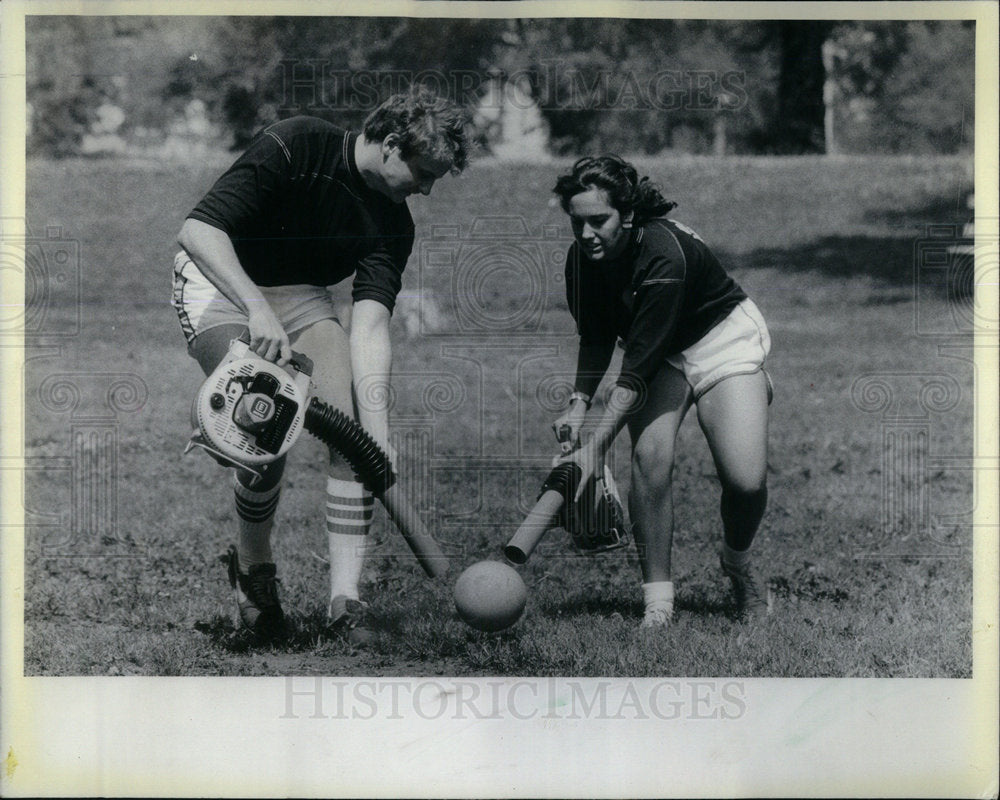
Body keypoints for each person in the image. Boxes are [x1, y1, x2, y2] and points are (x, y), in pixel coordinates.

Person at [172, 88, 472, 642]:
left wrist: (376, 433)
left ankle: (345, 604)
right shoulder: (300, 142)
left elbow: (371, 326)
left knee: (350, 438)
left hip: (302, 296)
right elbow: (198, 232)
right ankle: (254, 569)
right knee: (265, 426)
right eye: (425, 172)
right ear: (388, 146)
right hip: (221, 284)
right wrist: (257, 310)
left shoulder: (394, 225)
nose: (427, 189)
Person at [550, 155, 773, 628]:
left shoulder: (662, 253)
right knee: (650, 459)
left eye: (599, 221)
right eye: (577, 222)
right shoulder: (581, 262)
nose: (587, 234)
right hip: (658, 354)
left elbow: (633, 374)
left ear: (627, 215)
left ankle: (737, 563)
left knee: (745, 481)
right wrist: (577, 405)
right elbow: (595, 337)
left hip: (720, 341)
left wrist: (593, 450)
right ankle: (658, 602)